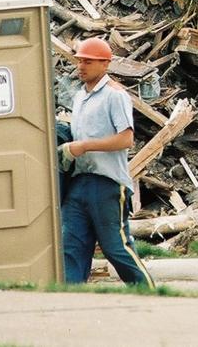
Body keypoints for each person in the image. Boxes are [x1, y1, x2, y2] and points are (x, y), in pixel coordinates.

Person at [59, 37, 154, 286]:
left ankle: (148, 292)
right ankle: (71, 300)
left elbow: (126, 139)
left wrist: (84, 146)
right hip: (79, 183)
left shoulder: (115, 95)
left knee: (115, 247)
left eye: (88, 62)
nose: (81, 66)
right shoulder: (80, 97)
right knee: (71, 247)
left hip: (107, 183)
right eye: (79, 61)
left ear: (105, 64)